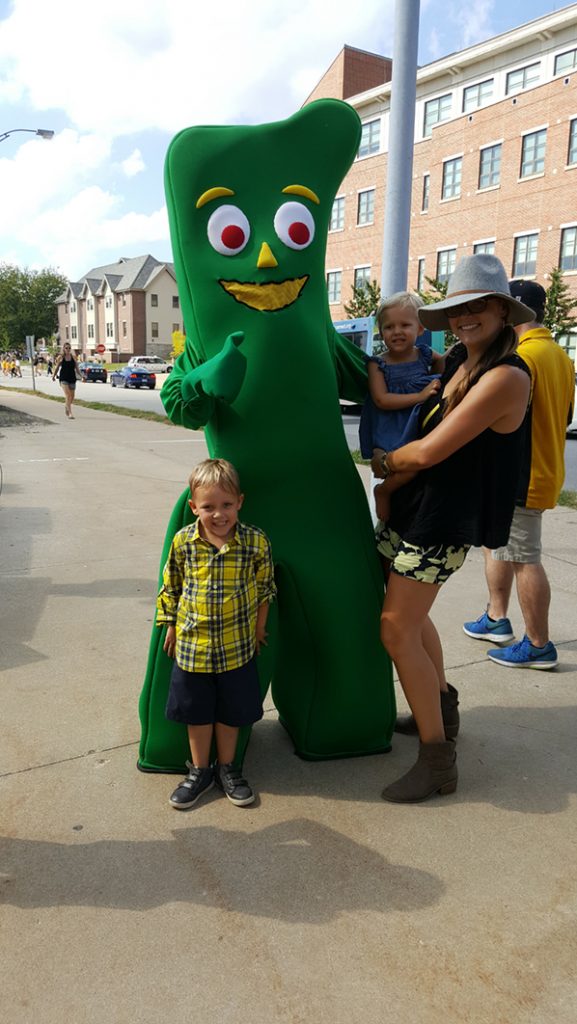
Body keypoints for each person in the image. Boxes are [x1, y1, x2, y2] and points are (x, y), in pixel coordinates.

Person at [370, 253, 532, 804]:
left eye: (479, 306)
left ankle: (438, 762)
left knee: (396, 628)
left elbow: (437, 448)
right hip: (418, 506)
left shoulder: (507, 376)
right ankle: (438, 708)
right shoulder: (462, 358)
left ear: (502, 311)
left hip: (442, 521)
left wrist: (386, 468)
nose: (466, 316)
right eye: (458, 307)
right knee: (412, 620)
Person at [463, 279, 575, 669]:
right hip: (544, 468)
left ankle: (539, 644)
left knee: (525, 557)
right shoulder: (558, 355)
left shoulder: (521, 360)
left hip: (522, 474)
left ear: (510, 313)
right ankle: (496, 618)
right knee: (500, 546)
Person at [156, 458, 276, 810]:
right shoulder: (184, 543)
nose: (219, 514)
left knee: (230, 714)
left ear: (240, 501)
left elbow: (266, 588)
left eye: (226, 505)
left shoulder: (255, 542)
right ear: (194, 506)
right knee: (197, 714)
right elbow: (171, 587)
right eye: (208, 507)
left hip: (237, 649)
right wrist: (172, 626)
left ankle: (229, 770)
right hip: (193, 649)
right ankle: (200, 772)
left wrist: (258, 628)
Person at [359, 291, 444, 461]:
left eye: (405, 325)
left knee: (423, 462)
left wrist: (435, 377)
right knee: (397, 464)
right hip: (392, 427)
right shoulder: (377, 363)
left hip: (420, 423)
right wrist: (420, 396)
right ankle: (385, 488)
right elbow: (381, 399)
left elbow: (444, 362)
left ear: (420, 329)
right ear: (382, 333)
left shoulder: (424, 354)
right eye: (389, 327)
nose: (397, 331)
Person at [52, 343, 80, 418]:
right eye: (66, 348)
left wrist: (81, 375)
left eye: (69, 348)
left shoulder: (73, 357)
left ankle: (66, 406)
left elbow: (77, 368)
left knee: (72, 396)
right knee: (68, 395)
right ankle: (70, 413)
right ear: (64, 349)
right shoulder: (61, 357)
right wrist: (54, 375)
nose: (68, 349)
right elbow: (57, 367)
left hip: (72, 378)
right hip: (64, 378)